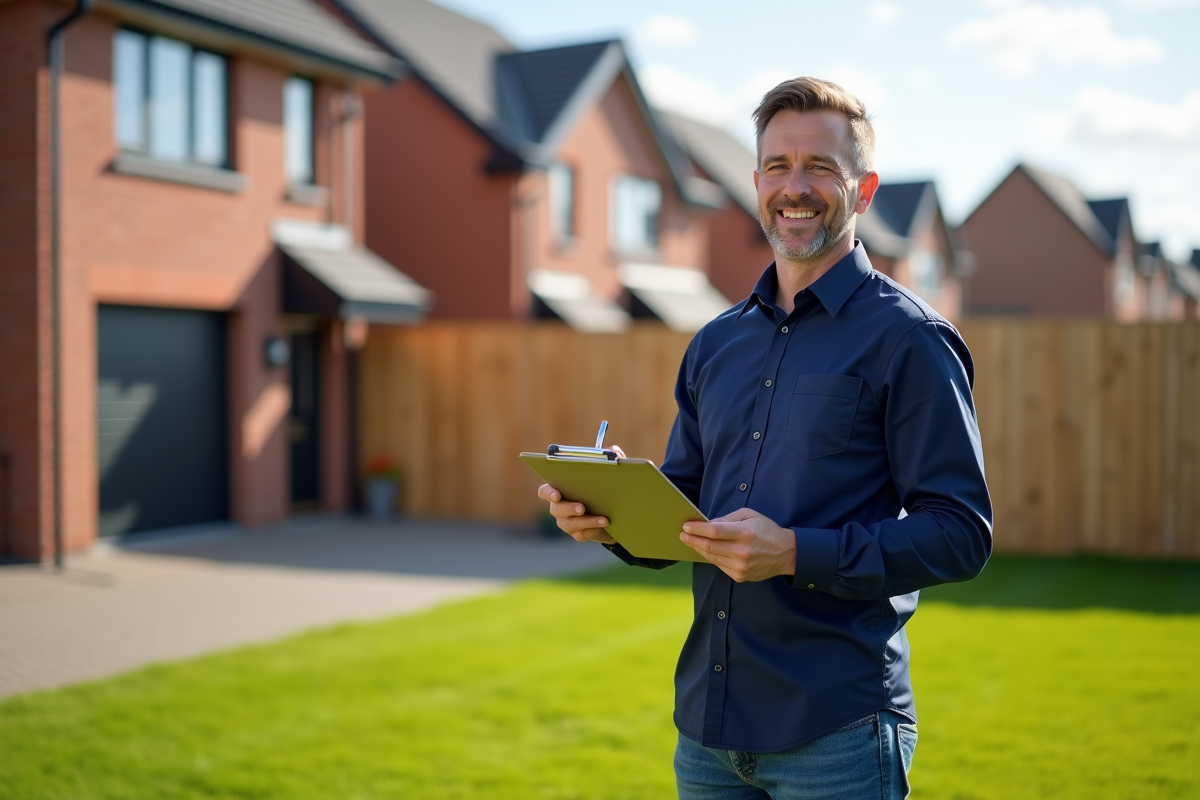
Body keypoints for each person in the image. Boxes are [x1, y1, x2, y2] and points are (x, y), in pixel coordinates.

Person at [537, 77, 992, 800]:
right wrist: (614, 512)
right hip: (708, 735)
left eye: (820, 167)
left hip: (836, 730)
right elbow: (686, 508)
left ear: (864, 190)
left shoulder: (911, 340)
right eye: (778, 166)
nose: (796, 186)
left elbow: (961, 533)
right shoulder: (717, 342)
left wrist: (795, 552)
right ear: (755, 184)